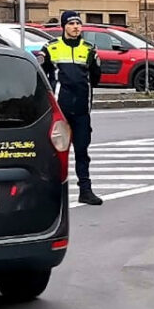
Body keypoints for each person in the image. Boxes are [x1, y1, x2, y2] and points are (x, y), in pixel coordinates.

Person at [40, 11, 103, 206]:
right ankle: (52, 193)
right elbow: (42, 76)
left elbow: (96, 78)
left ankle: (85, 190)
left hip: (82, 110)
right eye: (71, 23)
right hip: (61, 110)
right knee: (54, 153)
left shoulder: (89, 50)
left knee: (82, 151)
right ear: (64, 27)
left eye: (78, 23)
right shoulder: (51, 48)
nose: (76, 27)